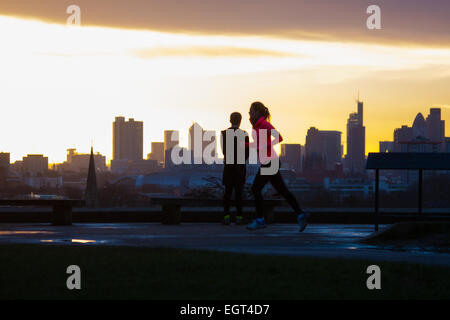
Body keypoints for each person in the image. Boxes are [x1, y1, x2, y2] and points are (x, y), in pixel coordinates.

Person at [246, 101, 308, 232]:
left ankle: (260, 220)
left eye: (251, 110)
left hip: (270, 161)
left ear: (257, 112)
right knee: (282, 190)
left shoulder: (263, 123)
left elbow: (279, 137)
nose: (249, 113)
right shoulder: (257, 125)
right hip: (269, 161)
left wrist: (261, 146)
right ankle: (301, 215)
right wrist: (247, 145)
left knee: (256, 188)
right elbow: (258, 144)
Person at [220, 112, 249, 225]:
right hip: (240, 167)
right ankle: (239, 217)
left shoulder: (224, 134)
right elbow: (247, 153)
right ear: (240, 121)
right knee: (239, 193)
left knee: (227, 193)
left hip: (228, 166)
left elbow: (224, 151)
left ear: (230, 120)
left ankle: (226, 217)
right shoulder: (244, 134)